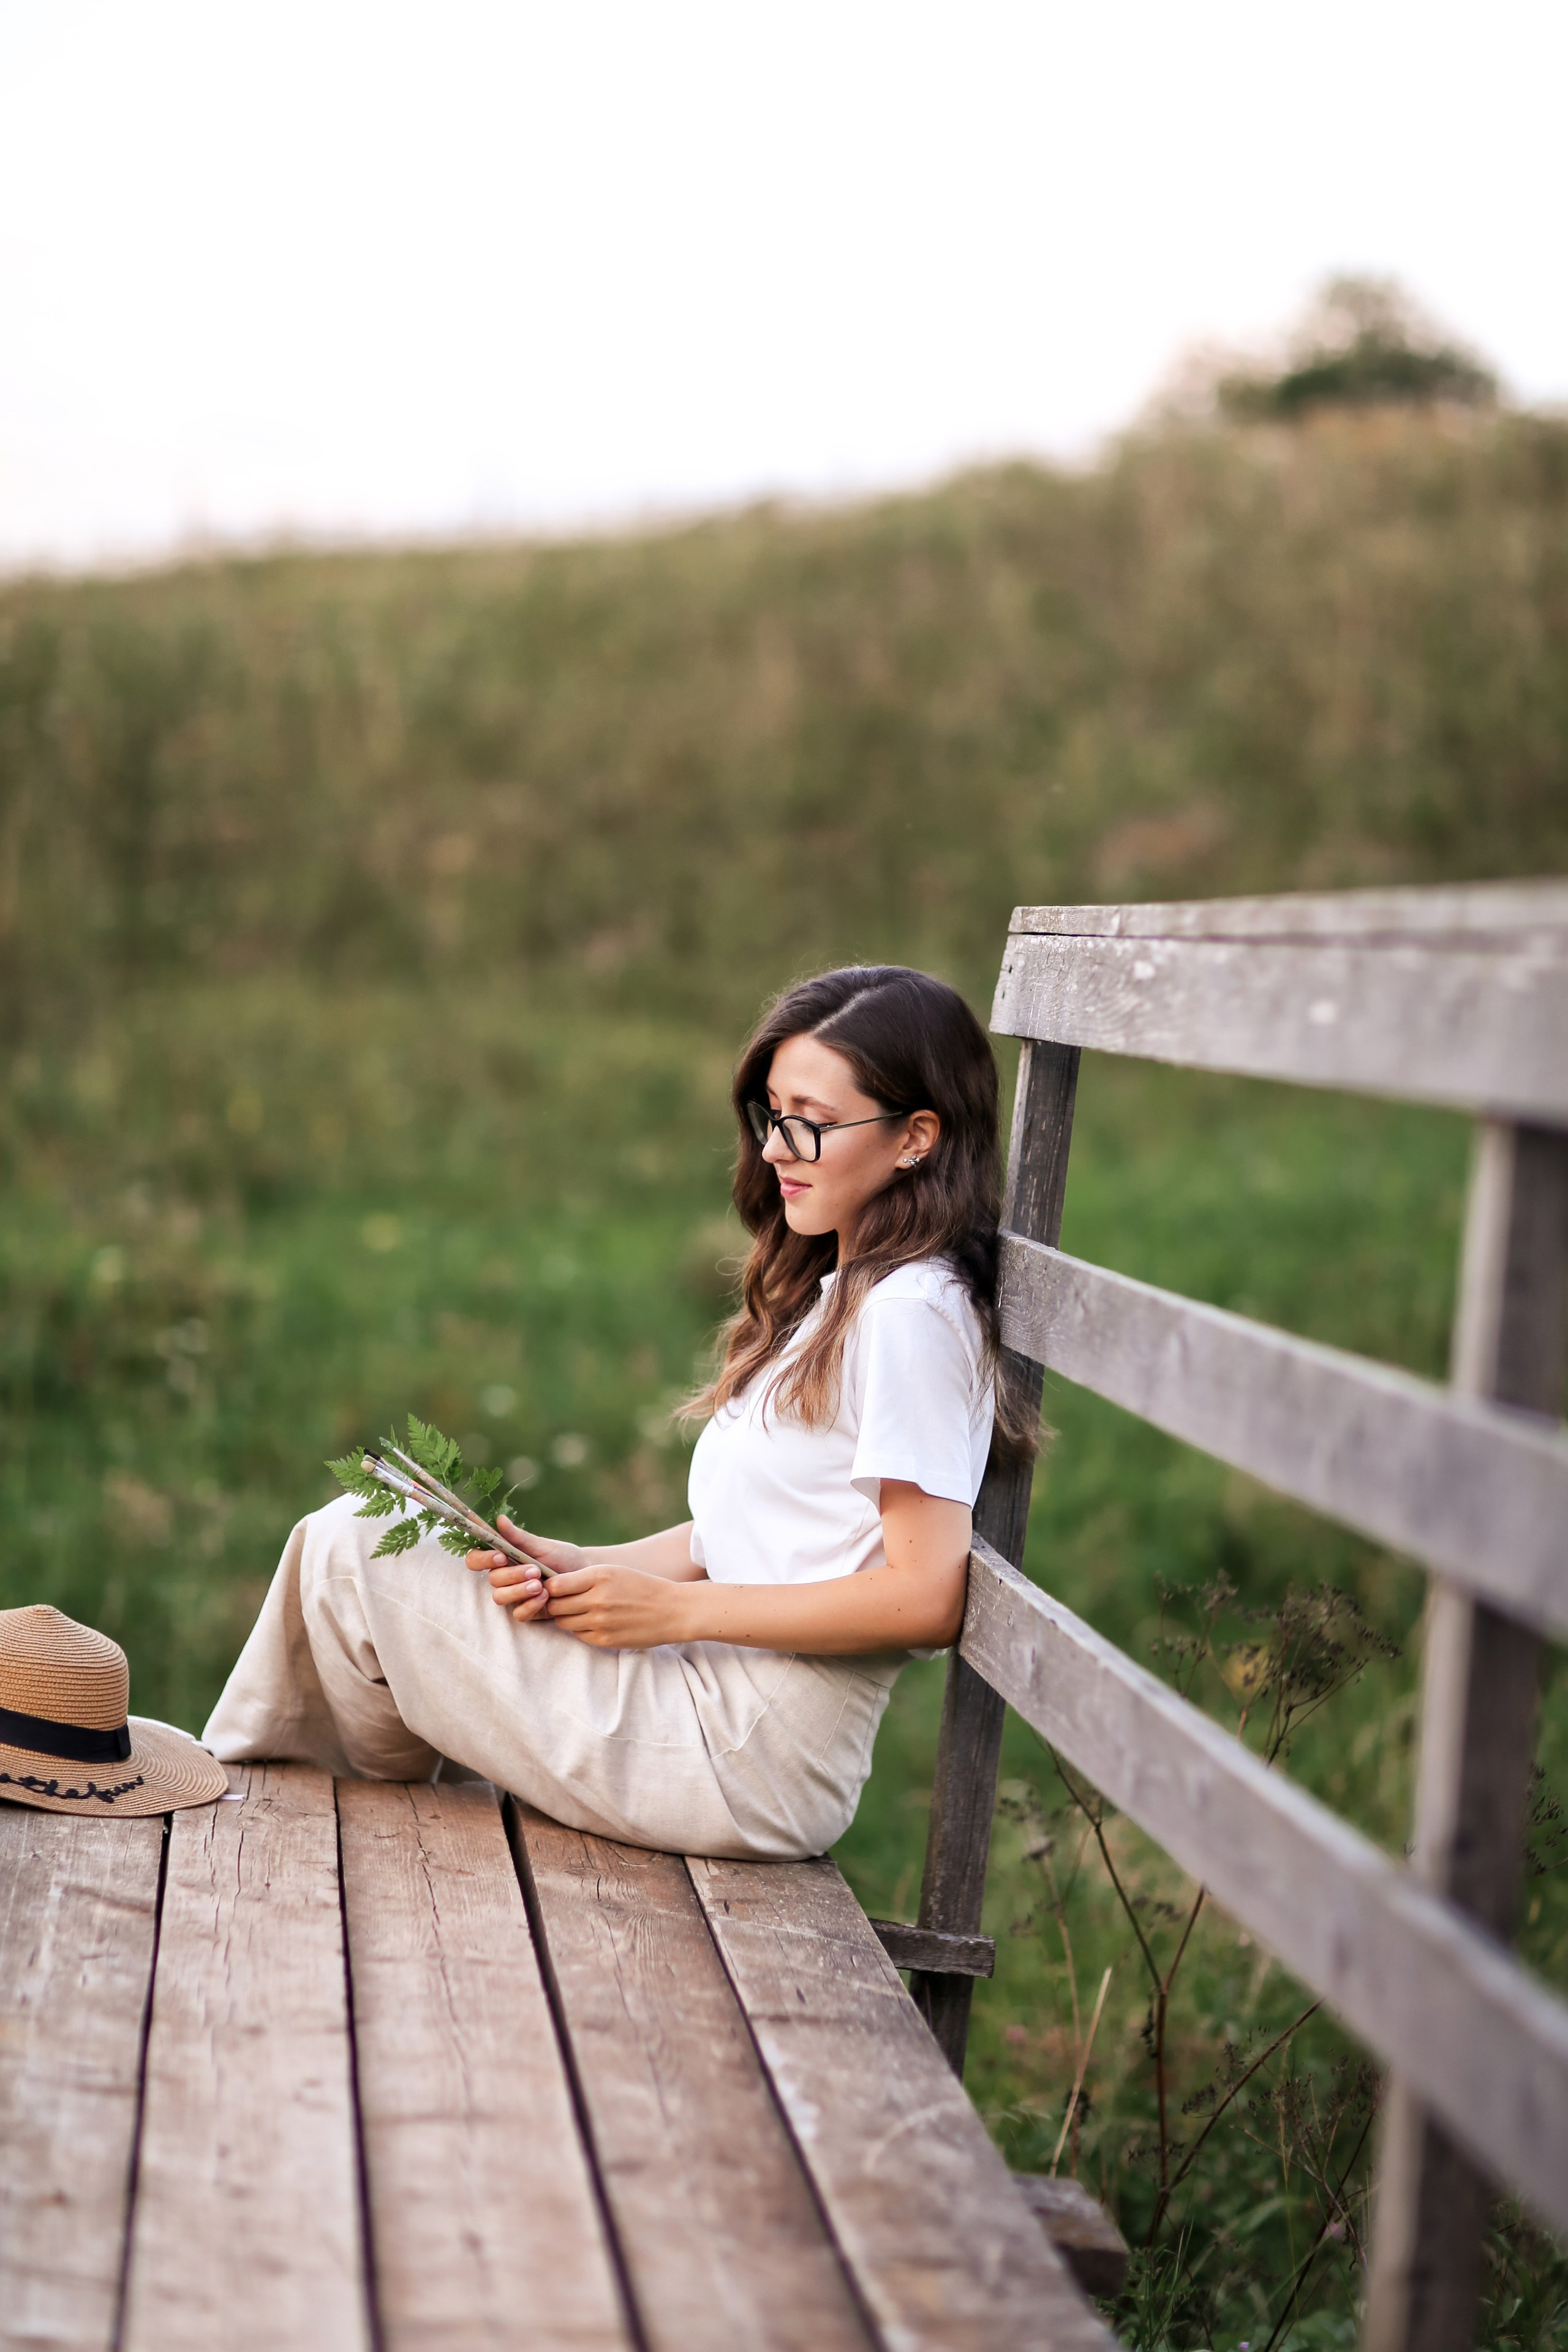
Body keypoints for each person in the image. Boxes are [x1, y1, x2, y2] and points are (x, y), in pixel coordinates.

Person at [203, 965, 1031, 1860]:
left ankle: (252, 1824)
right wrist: (582, 1567)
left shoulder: (911, 1315)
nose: (774, 1150)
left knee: (353, 1552)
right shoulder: (854, 1296)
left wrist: (676, 1615)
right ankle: (316, 1823)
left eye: (811, 1123)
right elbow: (748, 1537)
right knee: (380, 1533)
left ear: (916, 1137)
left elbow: (926, 1596)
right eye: (770, 1116)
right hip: (711, 1704)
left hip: (747, 1757)